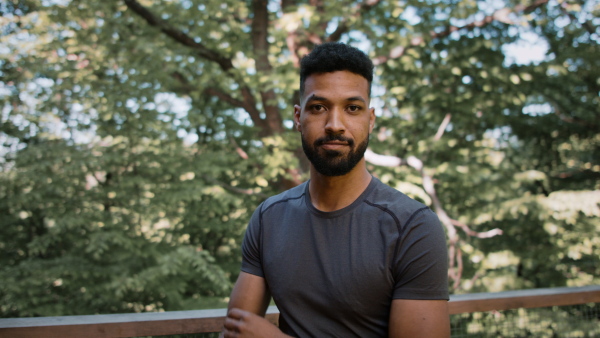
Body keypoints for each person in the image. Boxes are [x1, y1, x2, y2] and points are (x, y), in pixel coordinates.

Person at [222, 42, 450, 337]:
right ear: (297, 117)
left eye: (352, 108)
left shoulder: (413, 226)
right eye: (318, 108)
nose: (334, 125)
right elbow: (236, 332)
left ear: (370, 120)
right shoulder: (269, 218)